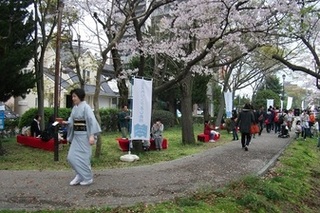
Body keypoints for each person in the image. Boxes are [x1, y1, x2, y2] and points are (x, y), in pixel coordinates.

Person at [66, 88, 101, 186]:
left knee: (84, 158)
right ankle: (79, 174)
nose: (73, 98)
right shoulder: (74, 108)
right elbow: (71, 121)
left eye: (74, 96)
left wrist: (91, 135)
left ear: (80, 97)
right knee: (71, 157)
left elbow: (91, 121)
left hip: (85, 136)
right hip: (76, 136)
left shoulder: (86, 107)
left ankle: (87, 177)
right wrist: (65, 122)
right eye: (72, 96)